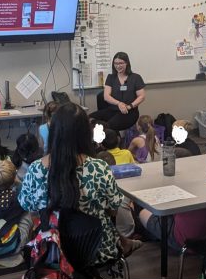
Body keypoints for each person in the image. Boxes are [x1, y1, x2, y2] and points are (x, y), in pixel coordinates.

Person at [20, 103, 127, 269]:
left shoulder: (35, 169)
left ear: (53, 132)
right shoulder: (99, 167)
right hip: (96, 248)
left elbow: (28, 205)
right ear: (85, 133)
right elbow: (113, 208)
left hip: (52, 249)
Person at [94, 53, 146, 134]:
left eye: (121, 63)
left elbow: (141, 96)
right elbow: (106, 96)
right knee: (89, 119)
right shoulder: (111, 77)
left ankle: (113, 143)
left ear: (127, 63)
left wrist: (129, 106)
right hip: (113, 110)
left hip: (129, 112)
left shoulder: (136, 77)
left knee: (108, 127)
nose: (118, 66)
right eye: (116, 63)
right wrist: (119, 104)